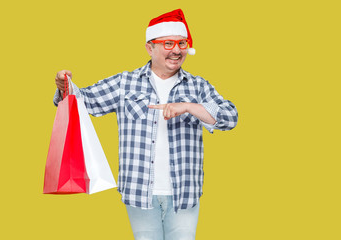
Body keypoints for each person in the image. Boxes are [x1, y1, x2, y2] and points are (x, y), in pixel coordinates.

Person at [54, 9, 238, 240]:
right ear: (150, 48)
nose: (177, 50)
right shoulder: (125, 83)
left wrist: (190, 106)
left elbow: (230, 117)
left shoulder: (198, 86)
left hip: (184, 193)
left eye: (182, 43)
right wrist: (65, 87)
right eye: (168, 43)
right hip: (140, 193)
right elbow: (84, 101)